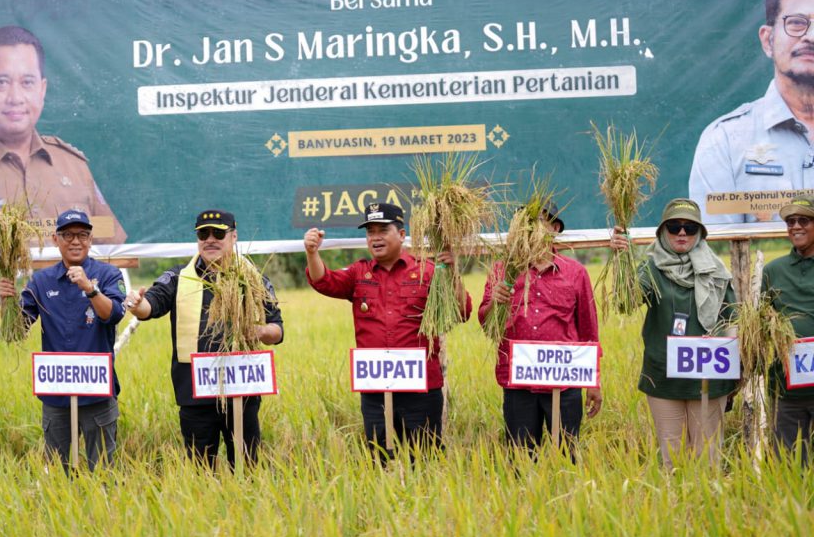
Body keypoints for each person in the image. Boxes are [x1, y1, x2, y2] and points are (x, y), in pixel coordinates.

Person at [304, 202, 471, 460]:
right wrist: (312, 253)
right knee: (380, 461)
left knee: (426, 462)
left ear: (402, 235)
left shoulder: (428, 271)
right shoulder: (359, 273)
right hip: (375, 392)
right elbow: (323, 281)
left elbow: (462, 312)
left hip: (422, 390)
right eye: (370, 232)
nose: (375, 237)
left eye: (383, 230)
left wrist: (453, 274)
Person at [125, 210, 283, 469]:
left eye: (218, 233)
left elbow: (277, 329)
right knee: (200, 471)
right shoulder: (178, 277)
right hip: (195, 395)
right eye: (203, 234)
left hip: (242, 390)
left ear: (234, 237)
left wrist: (260, 332)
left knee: (247, 468)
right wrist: (137, 304)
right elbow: (150, 307)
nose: (210, 239)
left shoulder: (254, 279)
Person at [0, 26, 126, 244]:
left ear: (42, 90)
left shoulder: (73, 166)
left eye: (27, 82)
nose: (16, 97)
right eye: (1, 82)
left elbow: (115, 254)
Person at [0, 209, 125, 471]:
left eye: (82, 235)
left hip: (97, 392)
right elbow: (16, 331)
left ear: (90, 240)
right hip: (57, 393)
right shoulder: (41, 281)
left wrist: (90, 288)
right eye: (67, 235)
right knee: (57, 469)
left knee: (102, 469)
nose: (75, 241)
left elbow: (113, 314)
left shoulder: (109, 274)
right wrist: (7, 301)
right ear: (56, 239)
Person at [611, 198, 735, 468]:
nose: (682, 233)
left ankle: (707, 509)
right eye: (675, 226)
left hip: (709, 376)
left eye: (690, 228)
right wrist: (622, 260)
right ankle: (675, 509)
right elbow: (625, 301)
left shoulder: (717, 271)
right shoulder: (651, 268)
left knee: (708, 458)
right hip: (664, 377)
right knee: (673, 457)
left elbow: (733, 320)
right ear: (663, 232)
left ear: (700, 233)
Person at [690, 0, 814, 224]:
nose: (810, 37)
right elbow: (716, 253)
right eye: (796, 23)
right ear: (768, 40)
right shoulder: (724, 141)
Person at [479, 207, 602, 456]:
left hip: (564, 382)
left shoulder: (575, 273)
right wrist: (495, 301)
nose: (530, 227)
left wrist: (595, 381)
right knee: (520, 458)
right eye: (525, 222)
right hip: (518, 384)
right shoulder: (503, 270)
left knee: (567, 456)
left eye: (538, 221)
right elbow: (486, 324)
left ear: (555, 229)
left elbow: (589, 330)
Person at [762, 194, 814, 460]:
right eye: (790, 221)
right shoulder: (773, 271)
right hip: (786, 389)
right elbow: (757, 323)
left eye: (804, 220)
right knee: (789, 464)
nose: (796, 226)